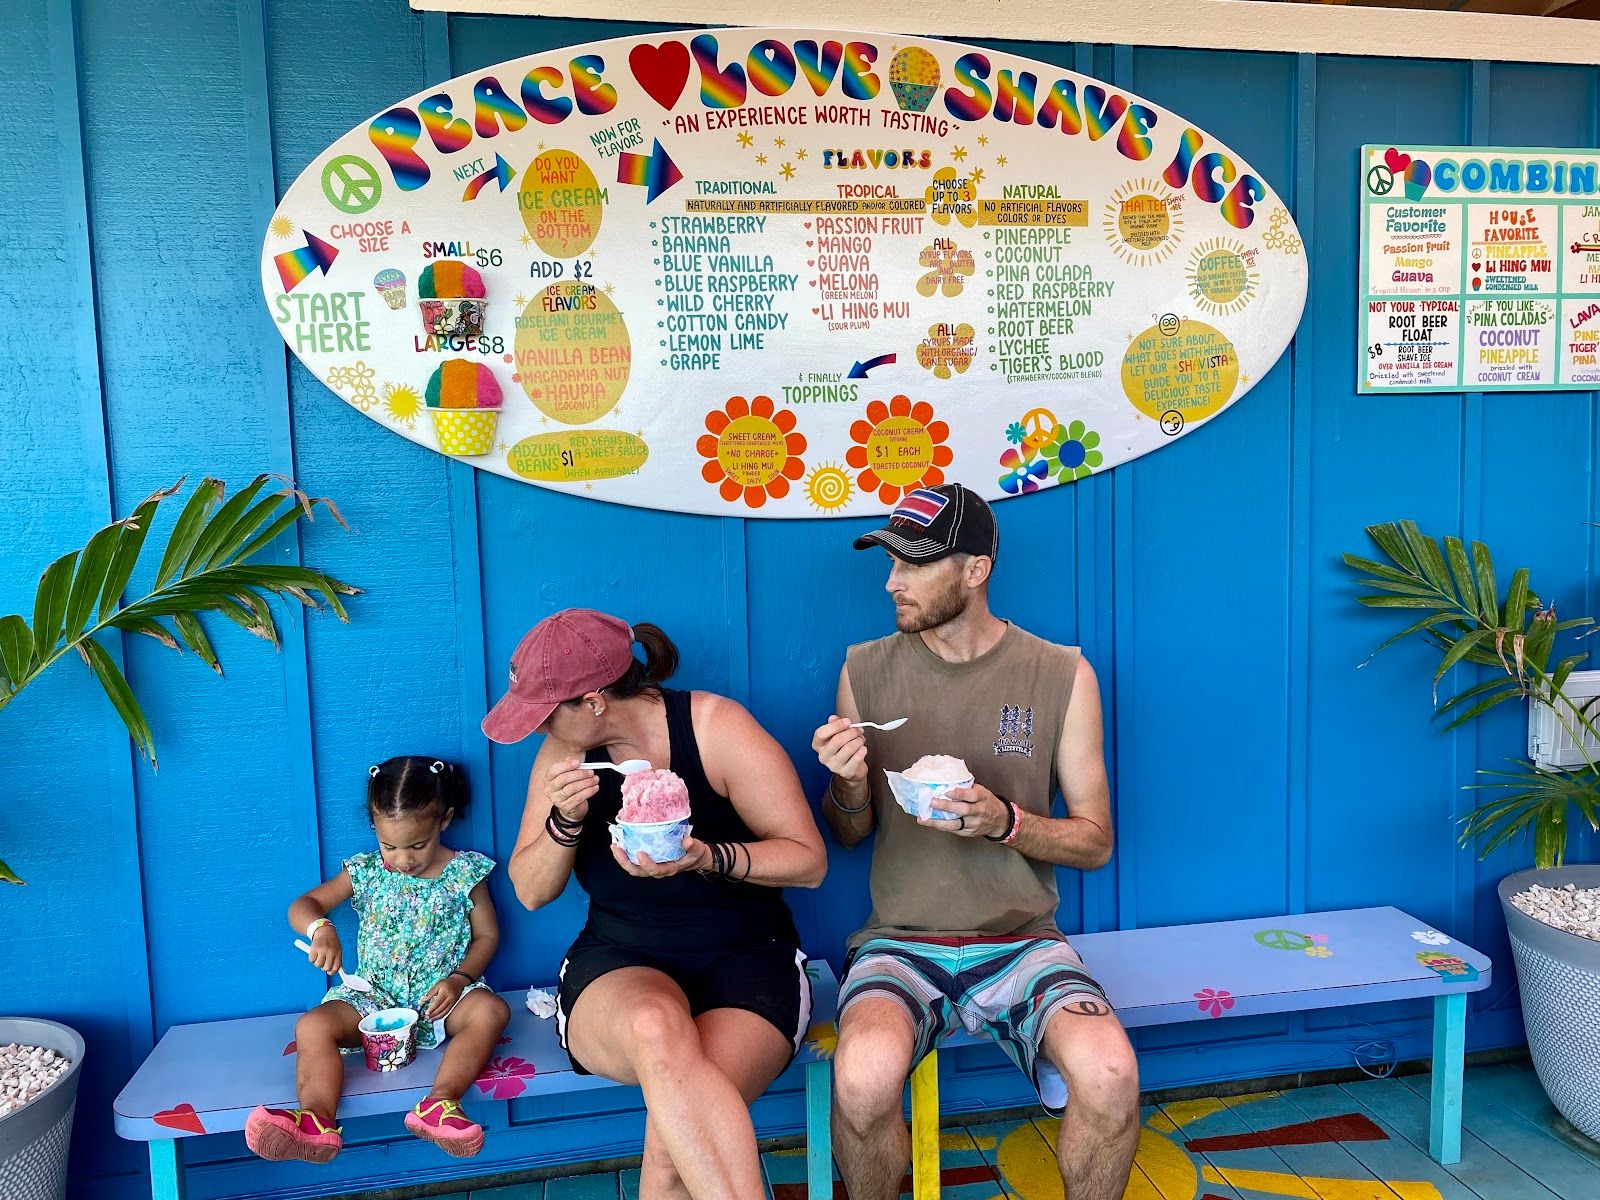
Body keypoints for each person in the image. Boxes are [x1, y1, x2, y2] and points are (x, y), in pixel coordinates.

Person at [810, 482, 1140, 1200]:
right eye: (889, 562)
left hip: (1022, 941)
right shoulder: (864, 670)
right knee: (862, 1078)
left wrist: (1006, 823)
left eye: (914, 564)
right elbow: (848, 834)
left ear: (975, 570)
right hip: (899, 942)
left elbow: (1096, 844)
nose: (892, 582)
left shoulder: (1061, 674)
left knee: (1111, 1074)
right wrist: (849, 785)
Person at [489, 609, 827, 1200]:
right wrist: (564, 821)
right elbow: (531, 891)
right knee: (654, 1028)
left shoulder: (717, 728)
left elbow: (809, 861)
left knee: (675, 1147)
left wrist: (708, 858)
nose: (539, 732)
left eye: (545, 715)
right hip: (619, 962)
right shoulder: (563, 760)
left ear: (593, 702)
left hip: (749, 958)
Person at [246, 757, 511, 1164]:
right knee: (312, 1025)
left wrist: (460, 979)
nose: (403, 859)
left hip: (443, 999)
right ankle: (316, 1120)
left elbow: (488, 935)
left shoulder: (464, 873)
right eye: (390, 846)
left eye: (417, 845)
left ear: (445, 819)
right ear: (374, 827)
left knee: (491, 1011)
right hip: (372, 999)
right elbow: (305, 904)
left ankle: (440, 1104)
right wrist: (321, 929)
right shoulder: (365, 871)